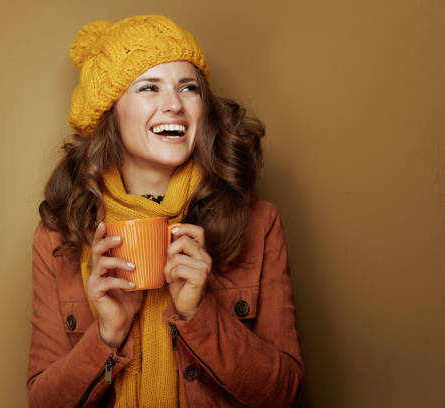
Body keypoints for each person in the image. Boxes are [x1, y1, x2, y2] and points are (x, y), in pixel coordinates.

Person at [27, 14, 304, 408]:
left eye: (188, 88)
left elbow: (285, 394)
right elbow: (43, 402)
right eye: (149, 87)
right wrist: (108, 333)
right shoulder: (58, 235)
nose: (173, 104)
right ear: (110, 111)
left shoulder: (259, 223)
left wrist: (199, 313)